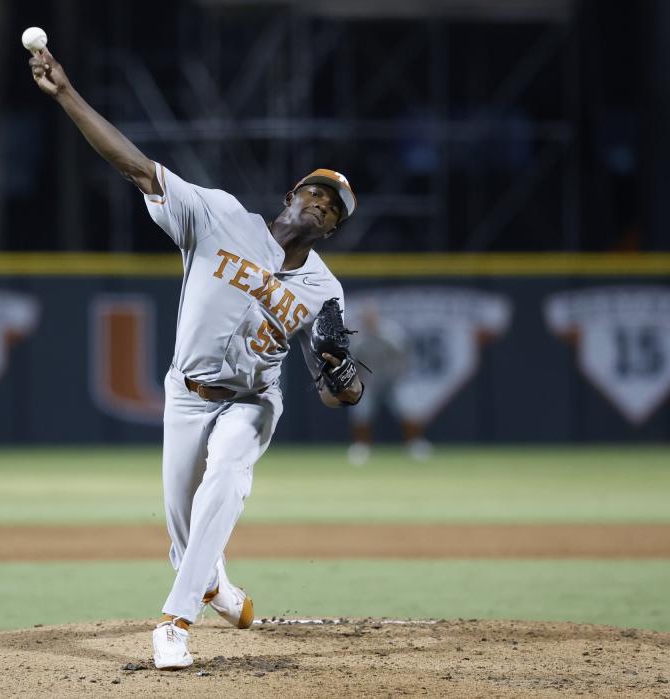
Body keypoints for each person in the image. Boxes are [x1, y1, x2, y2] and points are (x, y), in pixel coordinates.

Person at [29, 46, 363, 670]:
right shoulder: (218, 216)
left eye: (334, 207)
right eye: (317, 192)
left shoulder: (325, 290)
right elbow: (136, 167)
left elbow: (338, 392)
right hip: (186, 394)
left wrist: (342, 381)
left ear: (334, 228)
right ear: (293, 194)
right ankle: (213, 587)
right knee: (185, 541)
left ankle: (174, 622)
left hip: (255, 401)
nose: (322, 203)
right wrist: (68, 94)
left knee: (230, 472)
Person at [343, 302, 416, 465]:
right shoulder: (358, 335)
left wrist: (400, 375)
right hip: (371, 380)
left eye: (371, 317)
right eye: (365, 317)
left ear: (376, 317)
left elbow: (404, 355)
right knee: (361, 411)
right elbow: (352, 361)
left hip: (392, 379)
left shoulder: (390, 332)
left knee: (407, 408)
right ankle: (361, 447)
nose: (368, 320)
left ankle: (414, 444)